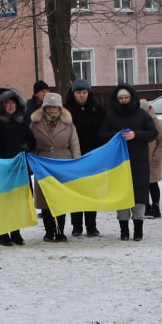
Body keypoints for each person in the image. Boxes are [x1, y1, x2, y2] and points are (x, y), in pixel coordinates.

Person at [100, 85, 159, 241]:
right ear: (116, 99)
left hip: (139, 161)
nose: (124, 101)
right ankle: (124, 231)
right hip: (118, 163)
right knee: (121, 195)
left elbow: (153, 133)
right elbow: (102, 135)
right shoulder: (110, 116)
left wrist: (135, 134)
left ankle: (138, 230)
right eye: (121, 98)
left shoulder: (142, 115)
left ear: (132, 98)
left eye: (126, 98)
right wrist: (117, 136)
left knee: (139, 196)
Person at [0, 87, 32, 245]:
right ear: (1, 104)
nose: (11, 106)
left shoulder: (20, 123)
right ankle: (3, 234)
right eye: (7, 103)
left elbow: (32, 140)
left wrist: (26, 146)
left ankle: (16, 232)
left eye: (13, 103)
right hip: (0, 169)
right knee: (2, 203)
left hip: (17, 170)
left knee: (17, 202)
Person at [29, 92, 80, 242]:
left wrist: (75, 164)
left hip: (62, 162)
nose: (52, 110)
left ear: (60, 108)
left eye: (55, 107)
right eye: (49, 107)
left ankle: (60, 231)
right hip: (42, 163)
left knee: (60, 199)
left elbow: (75, 145)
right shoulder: (35, 123)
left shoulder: (68, 124)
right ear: (44, 107)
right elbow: (30, 144)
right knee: (45, 200)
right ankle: (49, 231)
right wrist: (31, 164)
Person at [64, 79, 105, 237]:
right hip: (73, 157)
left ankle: (91, 224)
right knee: (75, 191)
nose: (81, 95)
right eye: (78, 92)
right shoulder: (66, 111)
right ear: (73, 94)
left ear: (89, 93)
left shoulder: (98, 110)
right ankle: (77, 225)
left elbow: (103, 132)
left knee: (90, 192)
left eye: (84, 92)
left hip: (92, 156)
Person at [141, 99, 162, 219]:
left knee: (153, 184)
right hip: (139, 159)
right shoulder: (135, 121)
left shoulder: (156, 122)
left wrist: (157, 156)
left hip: (152, 159)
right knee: (142, 185)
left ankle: (156, 207)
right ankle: (146, 207)